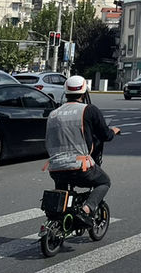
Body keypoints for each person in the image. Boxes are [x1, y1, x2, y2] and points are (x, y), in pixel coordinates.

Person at [45, 75, 120, 227]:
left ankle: (59, 221)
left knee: (62, 191)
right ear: (84, 92)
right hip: (80, 167)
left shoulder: (54, 114)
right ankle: (86, 210)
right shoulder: (89, 110)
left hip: (55, 167)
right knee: (104, 182)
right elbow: (104, 135)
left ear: (66, 92)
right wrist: (114, 131)